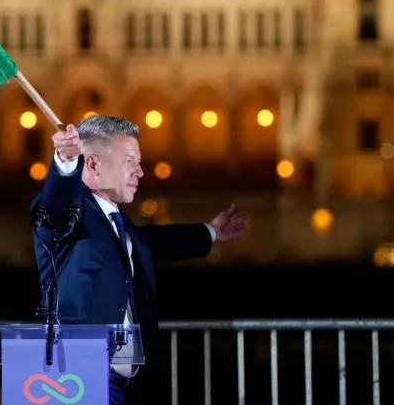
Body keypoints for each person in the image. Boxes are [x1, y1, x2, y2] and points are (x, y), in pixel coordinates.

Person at [31, 115, 248, 405]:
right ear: (93, 164)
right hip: (80, 381)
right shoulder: (69, 215)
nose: (140, 172)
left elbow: (153, 242)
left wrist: (211, 232)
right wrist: (66, 162)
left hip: (125, 386)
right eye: (129, 161)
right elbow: (54, 203)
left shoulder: (118, 223)